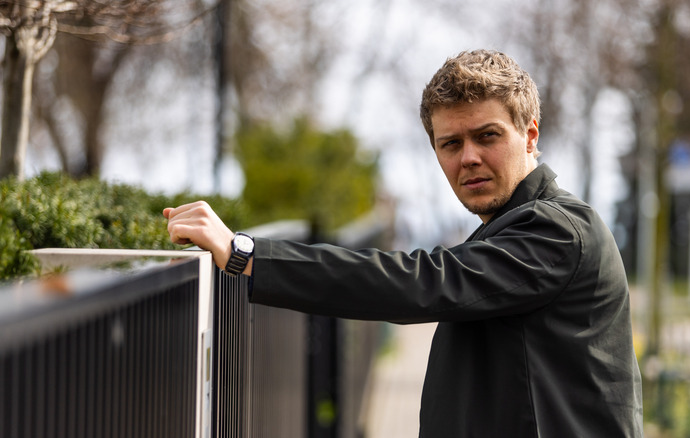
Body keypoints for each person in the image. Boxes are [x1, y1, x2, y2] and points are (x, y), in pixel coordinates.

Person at [164, 49, 644, 437]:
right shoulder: (509, 226)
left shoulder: (556, 230)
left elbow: (419, 283)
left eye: (487, 136)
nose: (469, 158)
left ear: (530, 135)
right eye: (450, 144)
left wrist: (246, 255)